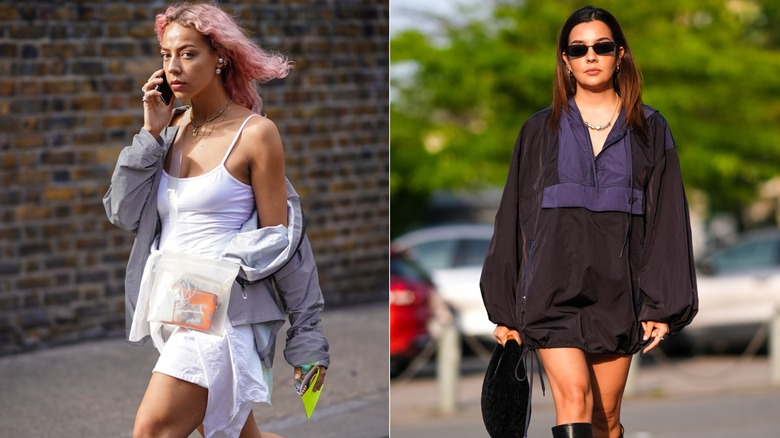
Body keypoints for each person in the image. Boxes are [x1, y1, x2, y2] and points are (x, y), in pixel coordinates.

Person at [103, 3, 329, 437]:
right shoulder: (168, 134)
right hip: (173, 312)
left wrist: (308, 341)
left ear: (219, 56)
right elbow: (122, 212)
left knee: (151, 430)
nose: (173, 67)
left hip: (222, 318)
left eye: (188, 54)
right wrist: (149, 133)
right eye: (166, 55)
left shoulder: (256, 134)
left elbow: (283, 246)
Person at [480, 6, 698, 438]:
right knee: (574, 398)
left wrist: (661, 305)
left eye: (602, 46)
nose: (591, 56)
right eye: (579, 49)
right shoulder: (539, 131)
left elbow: (667, 220)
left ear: (621, 55)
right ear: (566, 60)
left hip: (618, 294)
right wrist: (505, 306)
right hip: (551, 293)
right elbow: (514, 220)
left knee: (606, 417)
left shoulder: (651, 130)